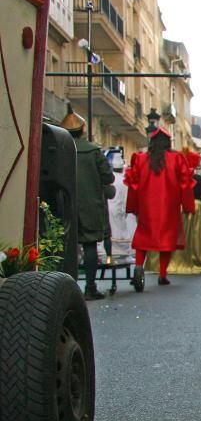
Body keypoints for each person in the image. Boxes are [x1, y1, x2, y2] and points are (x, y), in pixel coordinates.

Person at [124, 127, 194, 288]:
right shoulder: (176, 159)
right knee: (166, 239)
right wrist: (188, 206)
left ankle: (139, 267)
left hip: (146, 206)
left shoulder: (141, 159)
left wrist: (132, 207)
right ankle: (162, 274)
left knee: (143, 237)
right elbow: (185, 184)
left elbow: (133, 184)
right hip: (169, 207)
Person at [61, 105, 115, 300]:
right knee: (90, 246)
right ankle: (90, 287)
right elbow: (108, 177)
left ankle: (66, 289)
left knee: (66, 248)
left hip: (64, 205)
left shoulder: (60, 149)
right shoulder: (93, 151)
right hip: (90, 204)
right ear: (83, 129)